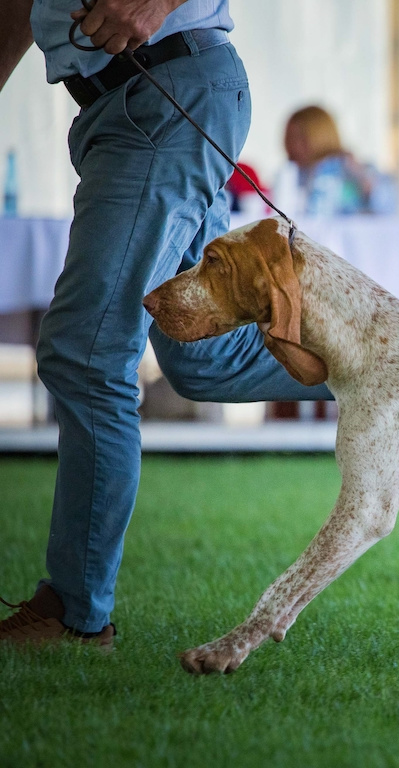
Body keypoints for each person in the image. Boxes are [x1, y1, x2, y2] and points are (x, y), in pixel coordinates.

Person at [0, 0, 330, 646]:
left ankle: (74, 612)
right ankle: (398, 363)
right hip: (133, 101)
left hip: (161, 90)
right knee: (203, 358)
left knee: (87, 353)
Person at [282, 104, 375, 216]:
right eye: (289, 137)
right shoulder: (293, 173)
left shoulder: (341, 169)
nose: (293, 146)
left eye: (300, 138)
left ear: (320, 136)